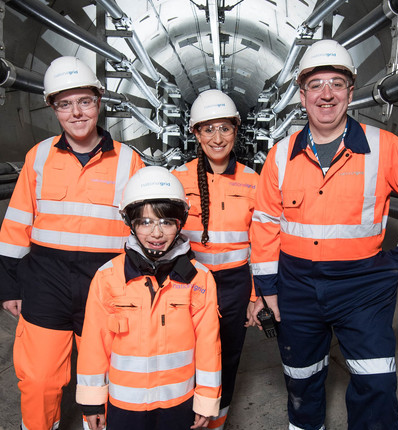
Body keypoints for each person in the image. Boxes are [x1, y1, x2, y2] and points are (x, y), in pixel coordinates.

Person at [249, 39, 398, 430]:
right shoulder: (280, 156)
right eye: (316, 85)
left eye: (337, 83)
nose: (327, 94)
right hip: (297, 286)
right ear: (302, 94)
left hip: (362, 287)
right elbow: (266, 224)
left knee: (376, 382)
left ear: (350, 92)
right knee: (301, 380)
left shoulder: (382, 147)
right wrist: (267, 290)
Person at [0, 56, 145, 430]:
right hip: (46, 281)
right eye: (65, 104)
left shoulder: (129, 162)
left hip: (105, 285)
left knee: (108, 381)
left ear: (99, 101)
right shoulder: (40, 156)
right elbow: (17, 222)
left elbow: (143, 231)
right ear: (53, 108)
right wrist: (10, 284)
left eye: (85, 101)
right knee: (40, 380)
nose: (76, 113)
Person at [76, 166, 222, 430]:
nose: (156, 233)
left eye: (166, 222)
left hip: (179, 402)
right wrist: (93, 402)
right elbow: (94, 345)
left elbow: (208, 345)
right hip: (124, 405)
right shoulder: (108, 277)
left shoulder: (200, 279)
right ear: (129, 223)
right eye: (145, 222)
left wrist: (207, 398)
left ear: (180, 224)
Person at [172, 89, 259, 429]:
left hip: (234, 286)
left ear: (237, 130)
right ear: (195, 133)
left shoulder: (254, 182)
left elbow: (263, 246)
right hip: (188, 284)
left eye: (225, 128)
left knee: (226, 359)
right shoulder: (178, 180)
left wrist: (255, 296)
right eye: (208, 129)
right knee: (182, 357)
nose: (217, 137)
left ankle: (215, 424)